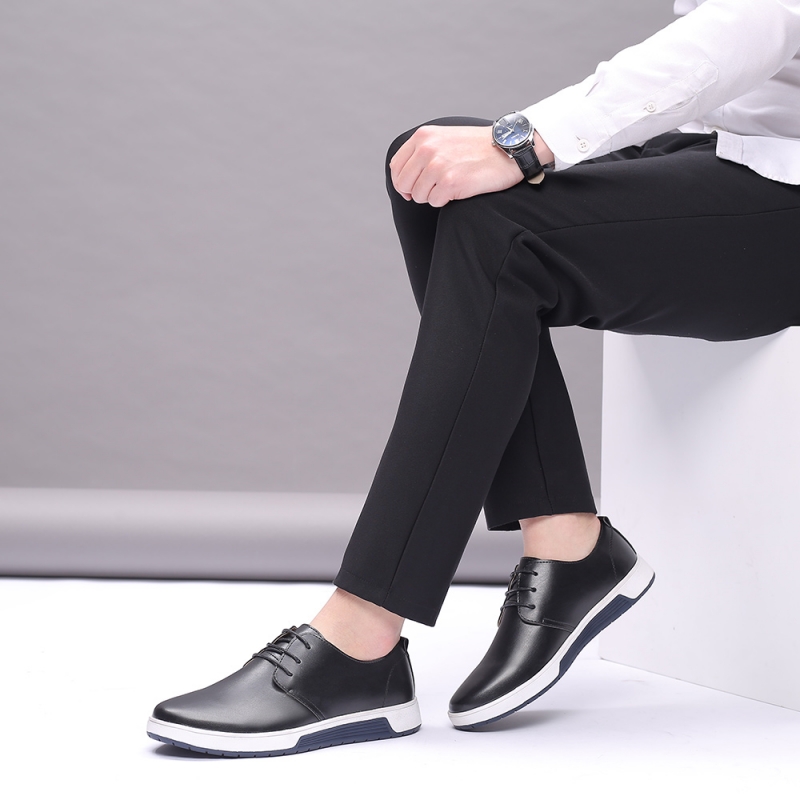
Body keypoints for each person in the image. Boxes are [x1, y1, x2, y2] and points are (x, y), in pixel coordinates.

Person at [146, 0, 800, 756]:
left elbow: (760, 20)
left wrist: (527, 140)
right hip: (731, 148)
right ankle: (565, 540)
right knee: (428, 167)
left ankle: (362, 635)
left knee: (499, 223)